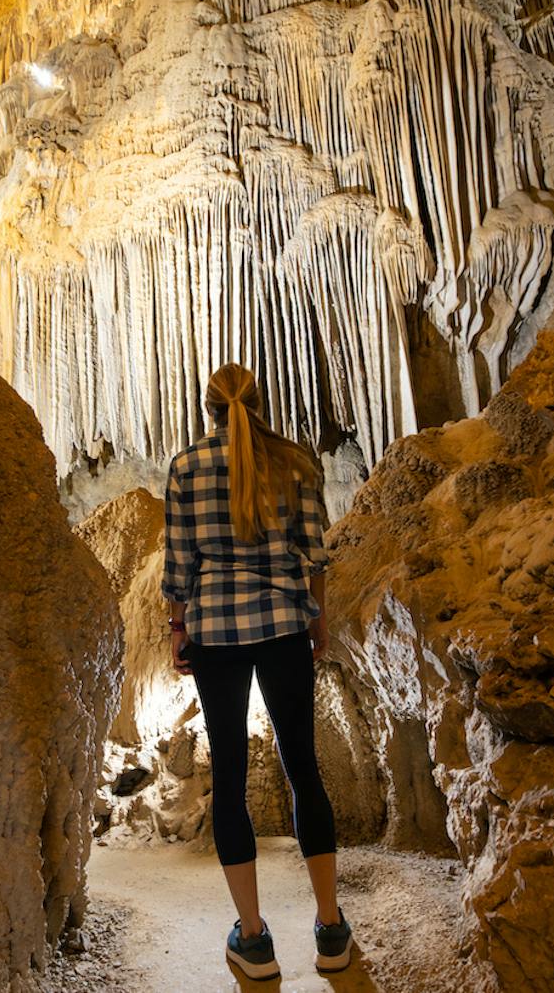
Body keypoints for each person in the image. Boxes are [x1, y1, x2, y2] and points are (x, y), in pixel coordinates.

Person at [161, 362, 353, 980]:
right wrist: (316, 621)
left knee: (232, 779)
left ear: (209, 409)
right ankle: (329, 928)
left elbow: (178, 567)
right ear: (261, 404)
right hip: (282, 626)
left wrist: (178, 630)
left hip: (216, 630)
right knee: (303, 767)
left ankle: (253, 939)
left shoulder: (187, 468)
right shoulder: (296, 463)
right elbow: (316, 550)